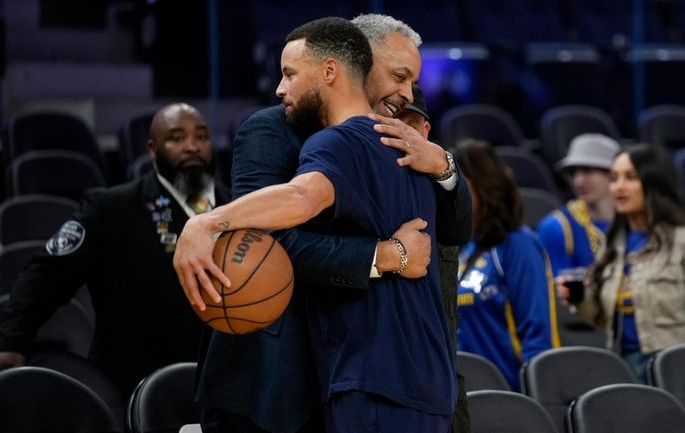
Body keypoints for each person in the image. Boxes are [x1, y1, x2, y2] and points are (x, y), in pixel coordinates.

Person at [189, 15, 472, 433]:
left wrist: (443, 164)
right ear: (354, 60)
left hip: (371, 368)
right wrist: (383, 256)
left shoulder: (395, 133)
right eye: (398, 75)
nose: (406, 91)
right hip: (277, 381)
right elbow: (264, 243)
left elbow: (453, 231)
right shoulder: (272, 130)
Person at [0, 103, 230, 397]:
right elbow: (48, 274)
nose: (192, 147)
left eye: (202, 137)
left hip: (226, 382)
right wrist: (11, 341)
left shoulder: (238, 205)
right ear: (151, 149)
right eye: (176, 138)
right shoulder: (110, 208)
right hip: (133, 384)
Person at [565, 144, 685, 381]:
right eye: (613, 179)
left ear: (653, 183)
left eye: (631, 177)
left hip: (679, 369)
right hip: (625, 367)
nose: (619, 186)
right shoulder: (614, 245)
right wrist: (577, 297)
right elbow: (605, 319)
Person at [453, 138, 560, 391]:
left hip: (509, 399)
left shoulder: (518, 245)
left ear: (483, 187)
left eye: (458, 185)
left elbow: (538, 333)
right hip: (461, 398)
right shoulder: (455, 249)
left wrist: (535, 398)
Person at [395, 83, 471, 431]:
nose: (403, 132)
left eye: (411, 123)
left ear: (426, 131)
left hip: (441, 371)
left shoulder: (442, 189)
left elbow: (461, 225)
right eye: (393, 119)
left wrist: (442, 163)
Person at [537, 133, 620, 277]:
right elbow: (560, 293)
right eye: (573, 173)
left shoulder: (635, 222)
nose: (578, 182)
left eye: (588, 171)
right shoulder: (557, 228)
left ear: (613, 175)